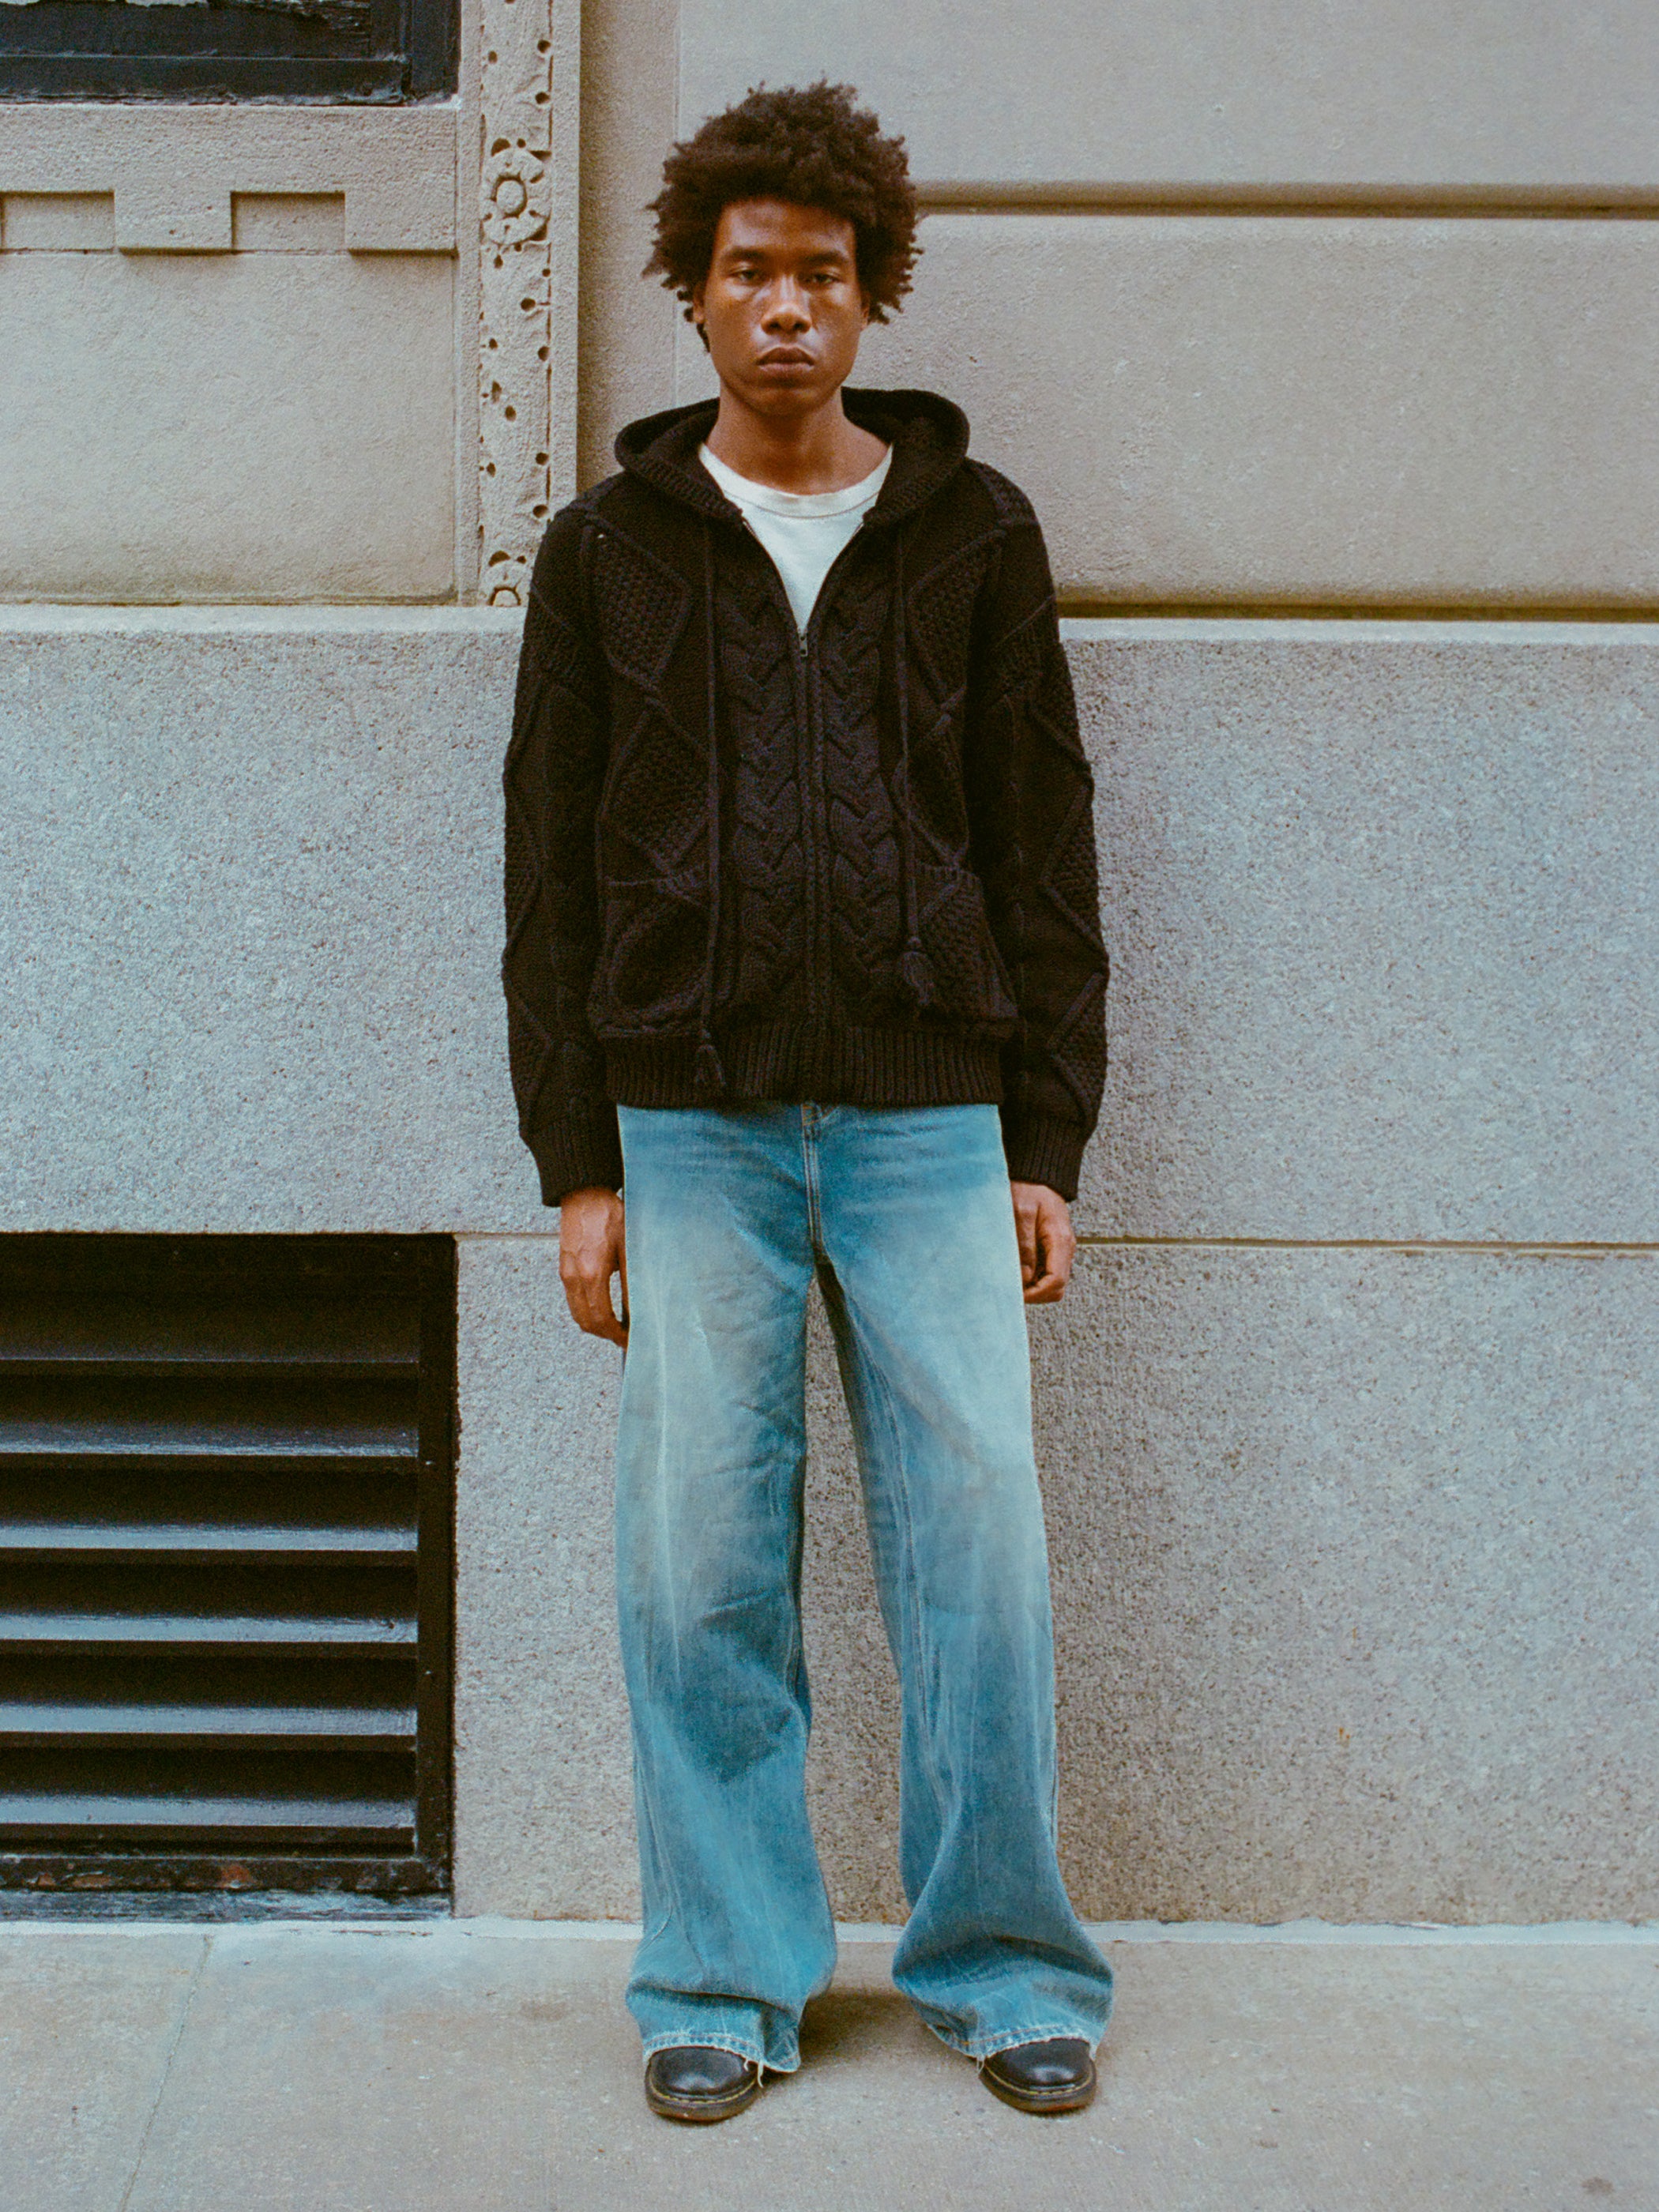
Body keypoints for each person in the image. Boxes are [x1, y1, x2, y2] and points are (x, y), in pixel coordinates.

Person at [502, 79, 1112, 2124]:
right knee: (692, 1566)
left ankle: (1006, 1964)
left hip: (931, 1119)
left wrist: (1044, 1139)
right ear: (690, 295)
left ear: (869, 302)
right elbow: (547, 862)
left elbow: (1043, 846)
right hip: (685, 1129)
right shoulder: (604, 552)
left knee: (980, 1557)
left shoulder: (969, 532)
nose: (785, 309)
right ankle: (720, 1976)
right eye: (749, 272)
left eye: (821, 276)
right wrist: (575, 1163)